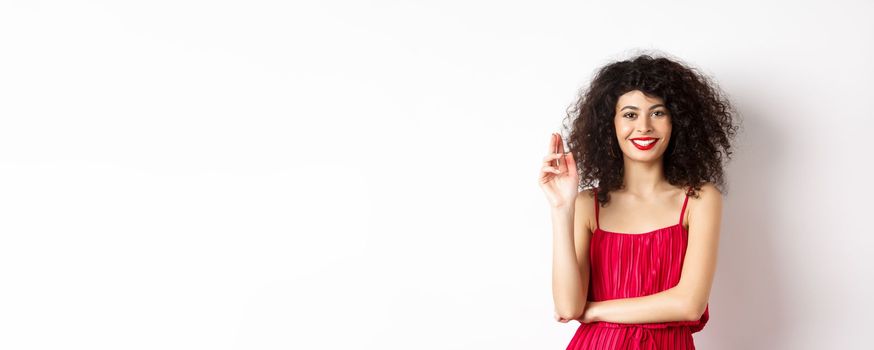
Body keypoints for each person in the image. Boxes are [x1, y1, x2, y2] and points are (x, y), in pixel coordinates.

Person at [539, 53, 739, 349]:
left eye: (657, 113)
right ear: (612, 124)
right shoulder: (587, 205)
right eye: (630, 114)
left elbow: (689, 305)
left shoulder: (699, 199)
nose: (644, 126)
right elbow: (568, 308)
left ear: (677, 122)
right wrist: (561, 207)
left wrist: (595, 310)